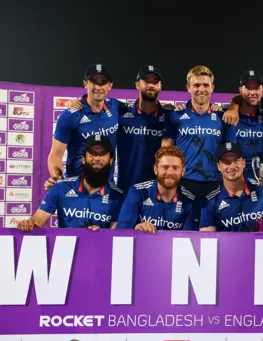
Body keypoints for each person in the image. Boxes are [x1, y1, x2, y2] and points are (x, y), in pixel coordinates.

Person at [62, 65, 174, 193]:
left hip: (157, 190)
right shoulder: (122, 111)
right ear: (137, 84)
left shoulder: (170, 116)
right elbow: (96, 102)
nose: (151, 85)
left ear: (160, 86)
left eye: (155, 82)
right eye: (146, 80)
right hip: (125, 190)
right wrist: (77, 103)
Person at [18, 135, 123, 231]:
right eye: (92, 153)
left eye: (102, 154)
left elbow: (115, 235)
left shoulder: (118, 196)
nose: (97, 158)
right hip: (66, 250)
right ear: (83, 159)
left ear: (110, 160)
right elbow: (37, 221)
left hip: (99, 250)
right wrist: (29, 223)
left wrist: (102, 234)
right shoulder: (61, 187)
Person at [162, 66, 235, 200]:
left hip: (215, 184)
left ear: (212, 87)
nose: (201, 89)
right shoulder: (175, 116)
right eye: (196, 85)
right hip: (182, 183)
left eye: (205, 85)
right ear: (188, 87)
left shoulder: (223, 117)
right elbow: (165, 151)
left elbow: (231, 155)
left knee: (210, 222)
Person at [47, 64, 121, 184]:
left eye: (103, 82)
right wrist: (59, 182)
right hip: (77, 187)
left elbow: (142, 110)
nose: (98, 86)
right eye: (94, 82)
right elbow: (56, 155)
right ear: (86, 84)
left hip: (108, 187)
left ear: (110, 86)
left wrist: (163, 109)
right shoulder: (70, 116)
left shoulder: (115, 107)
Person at [115, 146, 200, 233]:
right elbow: (121, 231)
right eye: (165, 167)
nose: (170, 173)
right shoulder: (138, 191)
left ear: (183, 171)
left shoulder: (190, 200)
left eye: (175, 168)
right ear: (155, 169)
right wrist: (137, 229)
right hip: (142, 245)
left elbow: (189, 238)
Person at [199, 142, 263, 232]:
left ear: (243, 163)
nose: (232, 166)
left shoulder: (262, 191)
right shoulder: (211, 201)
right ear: (218, 166)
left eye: (236, 160)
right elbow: (206, 240)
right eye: (226, 162)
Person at [224, 70, 263, 180]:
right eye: (248, 88)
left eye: (256, 88)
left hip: (260, 178)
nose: (252, 92)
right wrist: (233, 107)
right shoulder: (227, 115)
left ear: (262, 90)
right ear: (241, 90)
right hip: (234, 177)